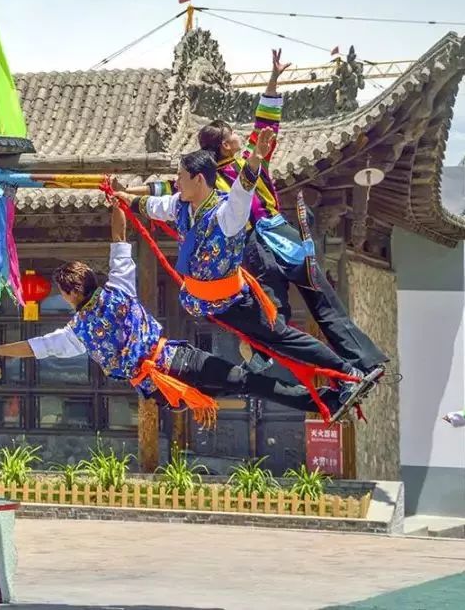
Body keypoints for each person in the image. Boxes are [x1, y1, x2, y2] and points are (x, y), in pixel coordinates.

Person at [127, 49, 388, 389]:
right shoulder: (215, 175)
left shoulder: (238, 164)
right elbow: (165, 187)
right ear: (223, 146)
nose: (240, 136)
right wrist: (130, 192)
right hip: (262, 251)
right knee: (295, 312)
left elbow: (265, 125)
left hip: (271, 245)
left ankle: (347, 368)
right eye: (233, 134)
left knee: (298, 312)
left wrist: (274, 80)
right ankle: (344, 372)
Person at [0, 196, 345, 420]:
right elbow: (118, 238)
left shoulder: (76, 331)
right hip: (177, 363)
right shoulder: (118, 288)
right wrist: (114, 199)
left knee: (244, 385)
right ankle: (323, 399)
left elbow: (32, 348)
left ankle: (320, 400)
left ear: (69, 294)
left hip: (159, 390)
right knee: (247, 381)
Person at [114, 131, 378, 423]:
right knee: (270, 342)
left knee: (280, 336)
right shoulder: (180, 206)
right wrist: (124, 197)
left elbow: (243, 190)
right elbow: (151, 206)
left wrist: (255, 159)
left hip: (234, 301)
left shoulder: (227, 214)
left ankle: (347, 373)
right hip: (213, 307)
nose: (177, 181)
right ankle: (334, 380)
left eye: (181, 176)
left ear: (199, 179)